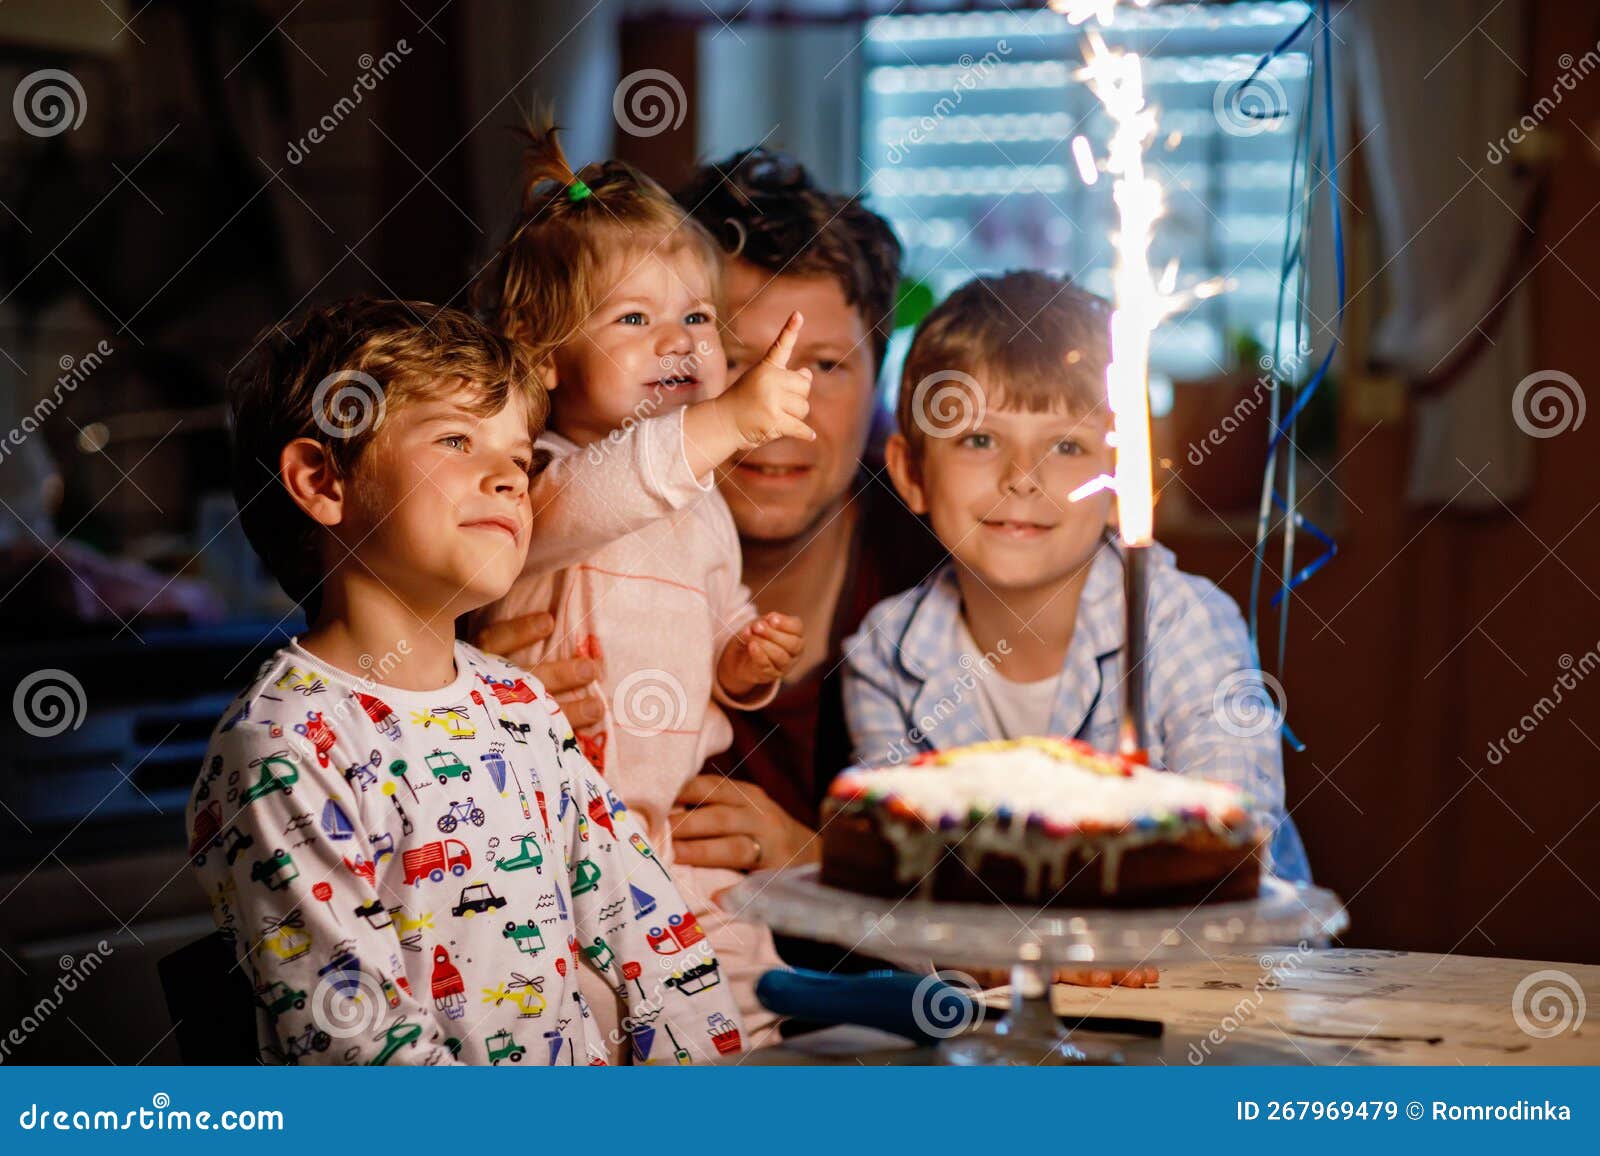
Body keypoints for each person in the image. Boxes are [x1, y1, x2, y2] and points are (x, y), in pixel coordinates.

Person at [187, 298, 742, 1065]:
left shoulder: (520, 705)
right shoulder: (282, 747)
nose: (512, 480)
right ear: (322, 481)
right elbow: (361, 1045)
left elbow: (650, 931)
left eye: (520, 457)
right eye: (455, 439)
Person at [466, 126, 810, 1054]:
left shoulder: (702, 507)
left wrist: (744, 657)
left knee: (736, 981)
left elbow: (718, 609)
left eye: (698, 318)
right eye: (634, 321)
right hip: (557, 836)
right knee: (594, 1019)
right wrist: (730, 418)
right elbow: (625, 482)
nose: (679, 342)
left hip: (669, 827)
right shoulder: (542, 482)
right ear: (544, 359)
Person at [842, 272, 1313, 884]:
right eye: (979, 439)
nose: (1022, 477)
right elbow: (904, 880)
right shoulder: (883, 657)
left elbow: (1230, 849)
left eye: (1066, 447)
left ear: (1125, 479)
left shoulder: (1181, 626)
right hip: (983, 980)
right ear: (910, 471)